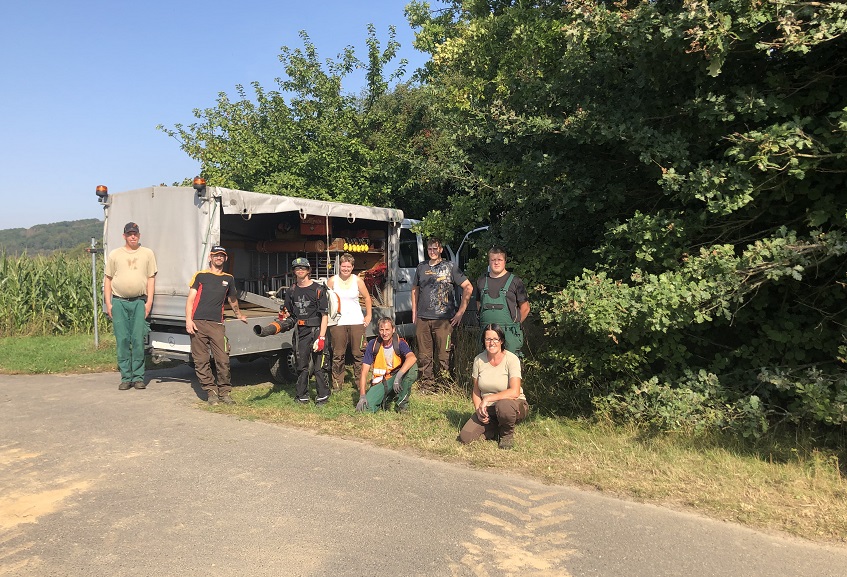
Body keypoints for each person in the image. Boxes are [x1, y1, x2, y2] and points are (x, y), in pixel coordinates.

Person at [185, 246, 248, 405]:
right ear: (210, 258)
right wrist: (188, 320)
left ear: (225, 259)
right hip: (198, 322)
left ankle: (224, 393)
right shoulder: (200, 276)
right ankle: (210, 392)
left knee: (223, 359)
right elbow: (191, 300)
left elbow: (232, 299)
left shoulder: (229, 278)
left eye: (221, 256)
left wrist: (238, 314)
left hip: (217, 324)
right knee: (201, 360)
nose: (218, 258)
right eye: (216, 255)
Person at [411, 237, 473, 387]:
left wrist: (460, 312)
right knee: (424, 355)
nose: (432, 252)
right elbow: (415, 290)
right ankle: (427, 384)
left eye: (435, 249)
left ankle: (446, 384)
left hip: (444, 320)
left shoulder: (450, 267)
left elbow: (468, 287)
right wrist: (414, 312)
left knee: (444, 354)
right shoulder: (421, 267)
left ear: (440, 249)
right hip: (423, 318)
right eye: (429, 249)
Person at [104, 222, 157, 390]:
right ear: (124, 236)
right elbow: (108, 279)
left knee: (138, 340)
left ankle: (139, 377)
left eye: (135, 233)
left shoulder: (147, 253)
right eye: (129, 233)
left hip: (139, 302)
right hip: (119, 302)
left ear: (139, 235)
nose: (132, 236)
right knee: (123, 340)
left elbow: (151, 278)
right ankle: (126, 377)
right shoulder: (115, 254)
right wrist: (108, 303)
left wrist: (148, 302)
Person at [459, 323, 528, 450]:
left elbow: (515, 391)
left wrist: (487, 399)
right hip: (489, 409)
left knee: (504, 405)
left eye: (495, 339)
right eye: (488, 339)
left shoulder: (511, 359)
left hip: (513, 404)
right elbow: (475, 390)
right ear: (483, 341)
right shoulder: (478, 360)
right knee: (465, 437)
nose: (492, 343)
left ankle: (506, 435)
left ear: (501, 340)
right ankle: (495, 427)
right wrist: (478, 409)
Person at [284, 257, 331, 405]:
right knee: (301, 365)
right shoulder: (291, 291)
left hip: (317, 330)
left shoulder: (318, 289)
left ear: (309, 270)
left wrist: (322, 337)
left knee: (320, 365)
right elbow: (290, 313)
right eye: (297, 268)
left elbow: (324, 315)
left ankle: (322, 396)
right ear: (294, 271)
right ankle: (302, 396)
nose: (300, 270)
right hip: (301, 332)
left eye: (303, 268)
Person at [327, 253, 372, 390]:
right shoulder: (332, 281)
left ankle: (360, 383)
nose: (345, 269)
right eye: (343, 266)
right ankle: (336, 384)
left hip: (356, 321)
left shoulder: (357, 281)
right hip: (338, 323)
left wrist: (368, 315)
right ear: (339, 266)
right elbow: (326, 300)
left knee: (358, 353)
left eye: (348, 266)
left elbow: (367, 298)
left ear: (352, 267)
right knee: (338, 354)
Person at [476, 246, 530, 355]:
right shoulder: (481, 281)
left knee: (510, 369)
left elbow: (525, 308)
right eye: (493, 260)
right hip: (487, 335)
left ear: (505, 261)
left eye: (499, 260)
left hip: (509, 335)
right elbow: (479, 305)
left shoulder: (515, 281)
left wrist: (514, 325)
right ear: (489, 261)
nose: (496, 263)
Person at [356, 317, 418, 413]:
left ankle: (401, 405)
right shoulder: (373, 344)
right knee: (364, 409)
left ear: (393, 330)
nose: (384, 333)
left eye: (387, 329)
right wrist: (362, 396)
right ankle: (387, 398)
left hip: (397, 378)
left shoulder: (399, 343)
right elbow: (364, 372)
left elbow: (412, 358)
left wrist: (398, 377)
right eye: (382, 330)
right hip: (381, 381)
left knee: (412, 367)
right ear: (378, 330)